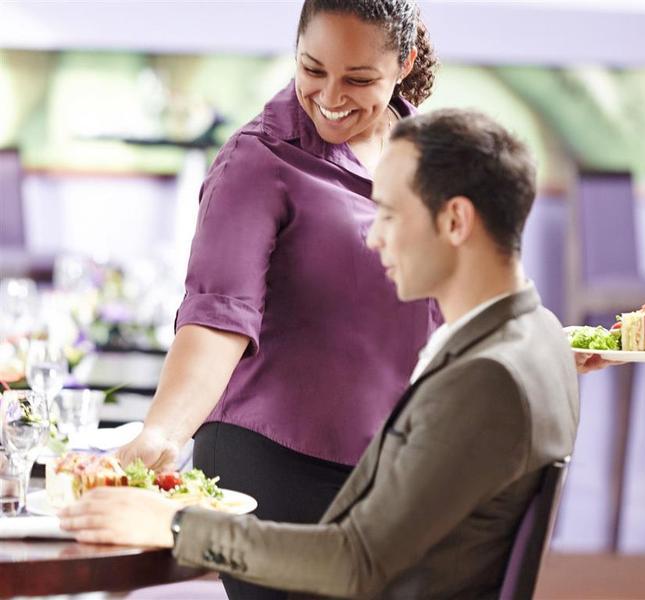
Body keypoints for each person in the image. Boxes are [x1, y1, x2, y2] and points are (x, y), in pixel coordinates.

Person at [61, 108, 580, 599]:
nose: (374, 239)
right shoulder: (543, 337)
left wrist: (174, 526)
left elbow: (354, 561)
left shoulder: (484, 377)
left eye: (388, 215)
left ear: (455, 221)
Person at [116, 3, 439, 598]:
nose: (330, 97)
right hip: (279, 465)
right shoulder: (258, 159)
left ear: (403, 64)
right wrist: (164, 432)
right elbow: (217, 317)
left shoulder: (437, 159)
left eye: (358, 79)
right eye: (312, 69)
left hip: (400, 471)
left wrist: (537, 345)